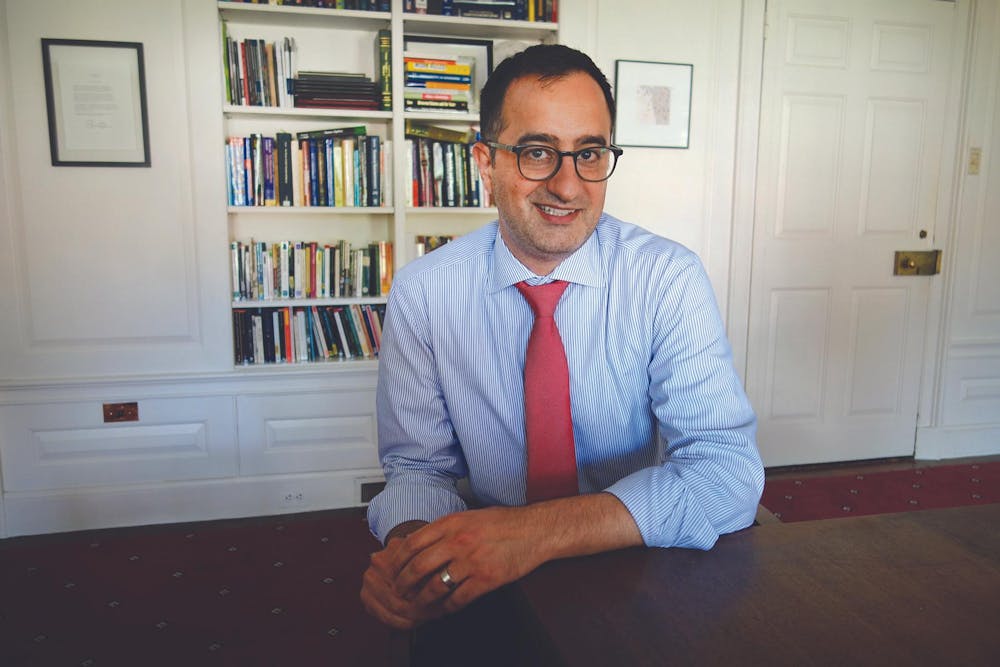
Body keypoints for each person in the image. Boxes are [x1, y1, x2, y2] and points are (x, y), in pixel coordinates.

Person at [361, 43, 764, 630]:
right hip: (484, 584)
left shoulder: (667, 278)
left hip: (633, 569)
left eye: (590, 153)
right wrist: (416, 556)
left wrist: (531, 534)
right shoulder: (423, 293)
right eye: (536, 152)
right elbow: (419, 469)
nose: (569, 186)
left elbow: (725, 473)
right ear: (485, 163)